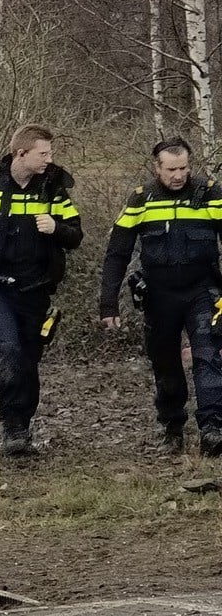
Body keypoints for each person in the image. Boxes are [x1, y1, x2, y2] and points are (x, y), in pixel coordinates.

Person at [0, 124, 83, 457]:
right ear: (21, 154)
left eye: (50, 153)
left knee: (27, 360)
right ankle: (12, 429)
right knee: (7, 351)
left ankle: (23, 426)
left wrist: (56, 229)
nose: (49, 159)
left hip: (35, 290)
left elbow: (76, 235)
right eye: (44, 153)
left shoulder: (51, 190)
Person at [99, 138, 222, 454]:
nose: (178, 175)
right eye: (171, 170)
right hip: (160, 295)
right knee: (165, 364)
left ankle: (212, 429)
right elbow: (117, 253)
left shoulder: (209, 194)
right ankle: (172, 428)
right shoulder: (142, 200)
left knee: (208, 355)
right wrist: (108, 302)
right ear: (157, 168)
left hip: (203, 291)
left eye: (183, 168)